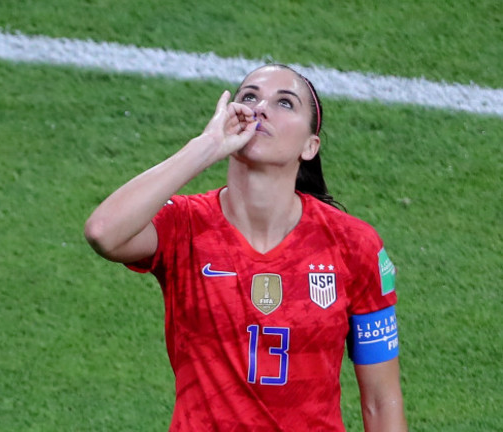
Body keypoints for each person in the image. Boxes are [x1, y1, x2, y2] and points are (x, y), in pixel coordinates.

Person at [84, 63, 407, 431]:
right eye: (249, 97)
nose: (260, 108)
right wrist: (206, 147)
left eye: (285, 103)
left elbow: (382, 402)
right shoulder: (185, 225)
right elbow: (103, 232)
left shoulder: (353, 245)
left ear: (309, 146)